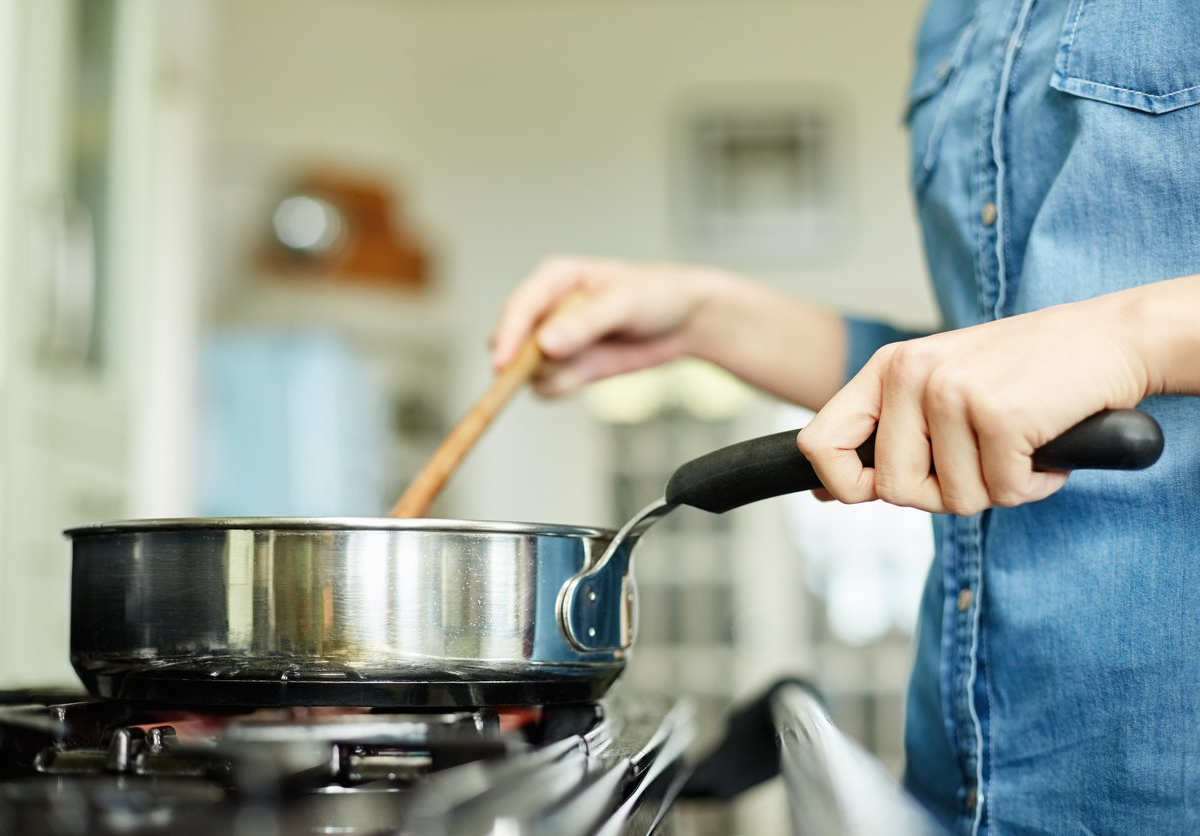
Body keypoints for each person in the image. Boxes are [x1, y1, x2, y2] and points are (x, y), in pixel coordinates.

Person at [491, 1, 1200, 833]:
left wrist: (1134, 341)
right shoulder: (956, 22)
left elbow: (1081, 351)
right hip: (969, 777)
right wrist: (700, 316)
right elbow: (978, 374)